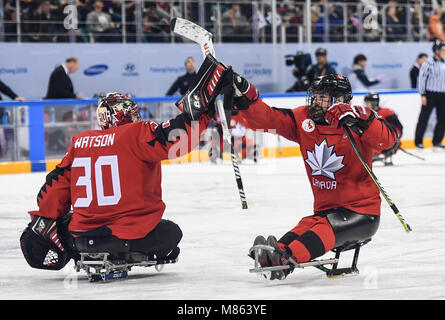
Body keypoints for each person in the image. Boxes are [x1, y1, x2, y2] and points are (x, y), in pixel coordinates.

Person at [19, 55, 231, 272]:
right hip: (128, 236)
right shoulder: (135, 133)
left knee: (68, 222)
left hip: (81, 239)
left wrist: (49, 218)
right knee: (172, 232)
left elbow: (52, 190)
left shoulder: (80, 142)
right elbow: (178, 136)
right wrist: (202, 109)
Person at [220, 71, 398, 280]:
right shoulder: (303, 119)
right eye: (316, 96)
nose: (315, 101)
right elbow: (266, 119)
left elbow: (388, 141)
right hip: (325, 211)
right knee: (307, 224)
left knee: (323, 226)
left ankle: (286, 258)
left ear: (338, 100)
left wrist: (360, 116)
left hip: (361, 213)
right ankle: (277, 251)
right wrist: (244, 96)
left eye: (322, 97)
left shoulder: (357, 122)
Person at [415, 40, 445, 150]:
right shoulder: (428, 63)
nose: (444, 52)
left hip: (442, 94)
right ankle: (418, 142)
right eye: (442, 50)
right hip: (430, 94)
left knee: (442, 119)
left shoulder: (443, 63)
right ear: (436, 51)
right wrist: (423, 94)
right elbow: (421, 79)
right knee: (424, 118)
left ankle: (437, 141)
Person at [364, 92, 403, 165]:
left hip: (388, 141)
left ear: (374, 103)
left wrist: (395, 138)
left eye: (368, 103)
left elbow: (399, 128)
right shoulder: (368, 114)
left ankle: (374, 152)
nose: (366, 105)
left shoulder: (386, 112)